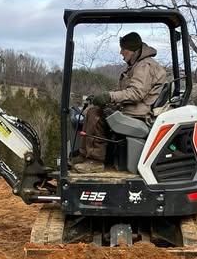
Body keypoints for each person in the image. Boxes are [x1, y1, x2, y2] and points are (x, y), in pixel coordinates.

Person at [71, 31, 167, 174]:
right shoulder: (137, 65)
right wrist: (103, 96)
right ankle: (84, 155)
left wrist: (109, 97)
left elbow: (136, 93)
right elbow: (124, 90)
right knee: (92, 110)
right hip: (133, 108)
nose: (121, 53)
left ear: (133, 50)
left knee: (97, 115)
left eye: (124, 49)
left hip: (139, 112)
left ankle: (95, 161)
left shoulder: (144, 66)